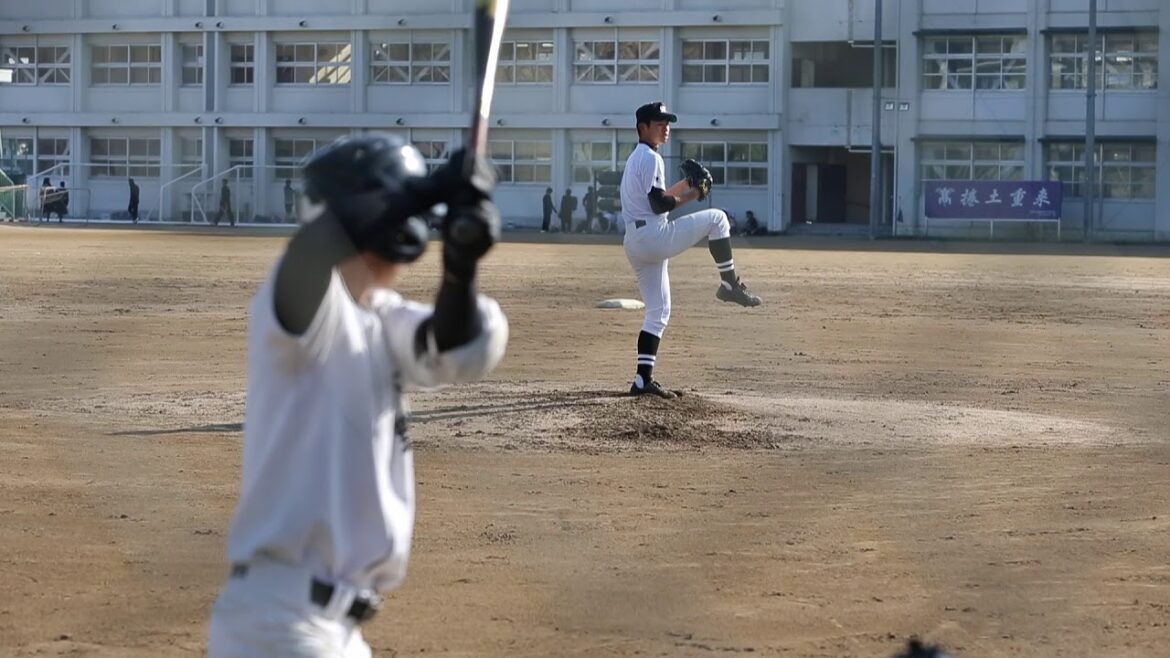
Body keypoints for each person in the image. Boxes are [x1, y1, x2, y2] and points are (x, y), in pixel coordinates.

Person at [206, 134, 508, 657]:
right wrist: (431, 189)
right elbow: (312, 253)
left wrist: (461, 266)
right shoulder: (303, 312)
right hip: (280, 625)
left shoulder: (381, 317)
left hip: (329, 630)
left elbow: (463, 347)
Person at [621, 101, 762, 399]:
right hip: (653, 236)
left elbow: (655, 199)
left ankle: (642, 380)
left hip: (637, 241)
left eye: (667, 123)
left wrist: (684, 185)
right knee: (718, 218)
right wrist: (694, 193)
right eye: (659, 123)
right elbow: (660, 205)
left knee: (658, 311)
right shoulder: (650, 158)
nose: (665, 127)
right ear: (642, 127)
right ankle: (729, 284)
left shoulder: (639, 158)